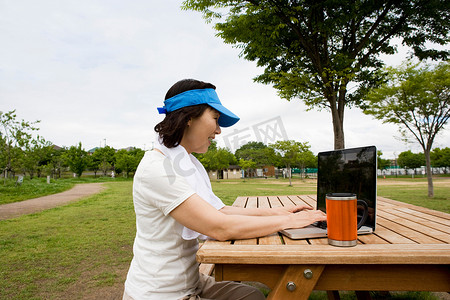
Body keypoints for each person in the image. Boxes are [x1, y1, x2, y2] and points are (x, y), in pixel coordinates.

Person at [123, 79, 327, 300]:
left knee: (252, 296)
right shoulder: (158, 168)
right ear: (189, 117)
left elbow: (220, 210)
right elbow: (219, 227)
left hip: (191, 282)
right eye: (215, 119)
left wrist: (282, 212)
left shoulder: (187, 163)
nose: (219, 131)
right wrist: (289, 223)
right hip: (162, 293)